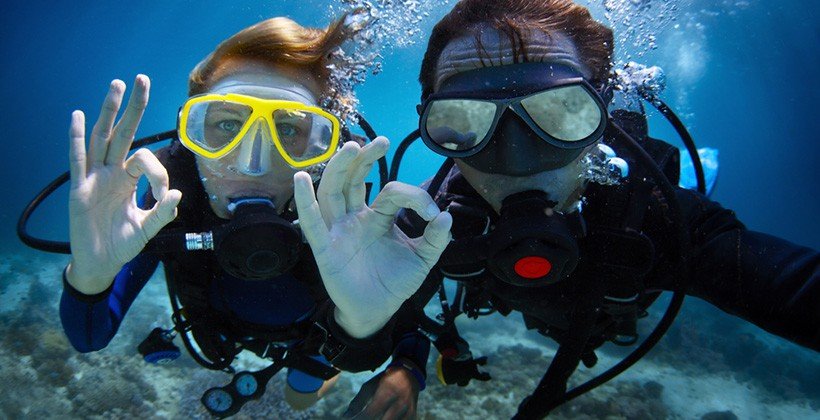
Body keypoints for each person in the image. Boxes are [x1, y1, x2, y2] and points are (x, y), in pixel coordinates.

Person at [346, 0, 820, 418]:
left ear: (602, 113)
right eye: (463, 121)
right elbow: (371, 323)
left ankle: (703, 171)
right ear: (434, 126)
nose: (516, 161)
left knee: (694, 184)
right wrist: (382, 340)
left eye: (561, 112)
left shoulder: (655, 216)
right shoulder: (430, 216)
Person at [59, 14, 451, 416]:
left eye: (290, 131)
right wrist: (90, 276)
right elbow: (90, 337)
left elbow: (404, 312)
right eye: (227, 124)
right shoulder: (169, 201)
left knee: (299, 398)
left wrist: (381, 347)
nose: (253, 165)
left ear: (325, 151)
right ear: (190, 136)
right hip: (222, 335)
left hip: (312, 341)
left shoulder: (343, 206)